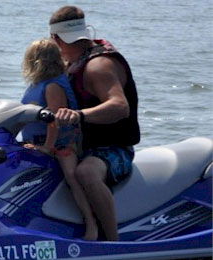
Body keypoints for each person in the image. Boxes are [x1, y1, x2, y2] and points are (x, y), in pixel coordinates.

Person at [48, 6, 140, 241]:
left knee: (86, 172)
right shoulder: (72, 63)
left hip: (114, 150)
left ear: (56, 38)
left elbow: (120, 107)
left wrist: (79, 115)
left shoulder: (98, 66)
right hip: (83, 147)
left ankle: (112, 242)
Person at [20, 39, 98, 240]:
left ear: (36, 60)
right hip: (38, 143)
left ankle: (92, 225)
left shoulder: (53, 85)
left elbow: (54, 120)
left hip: (62, 145)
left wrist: (47, 148)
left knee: (72, 176)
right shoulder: (36, 85)